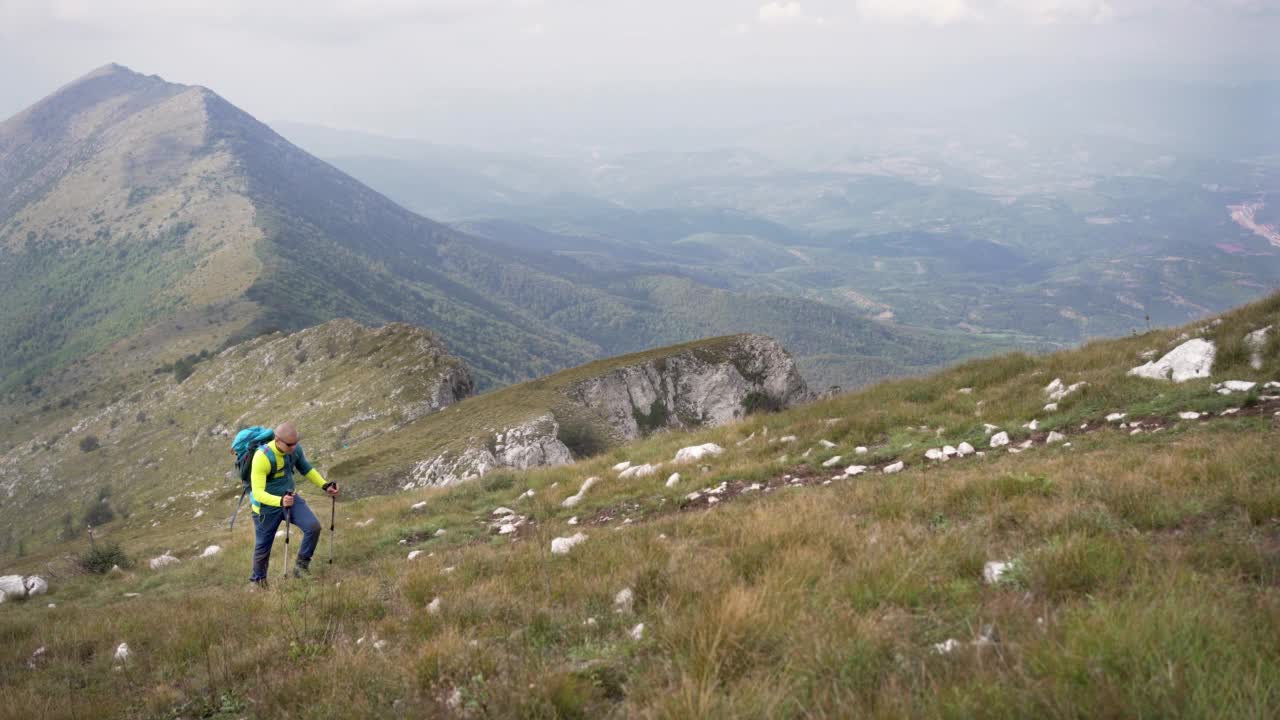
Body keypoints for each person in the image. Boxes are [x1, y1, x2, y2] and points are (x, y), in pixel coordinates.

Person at [248, 422, 339, 588]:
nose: (294, 447)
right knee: (263, 547)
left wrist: (325, 485)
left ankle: (300, 569)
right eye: (290, 444)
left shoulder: (294, 449)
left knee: (313, 527)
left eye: (295, 442)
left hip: (289, 498)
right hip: (266, 508)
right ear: (277, 440)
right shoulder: (262, 457)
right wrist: (280, 501)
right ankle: (259, 582)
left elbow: (306, 469)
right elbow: (258, 493)